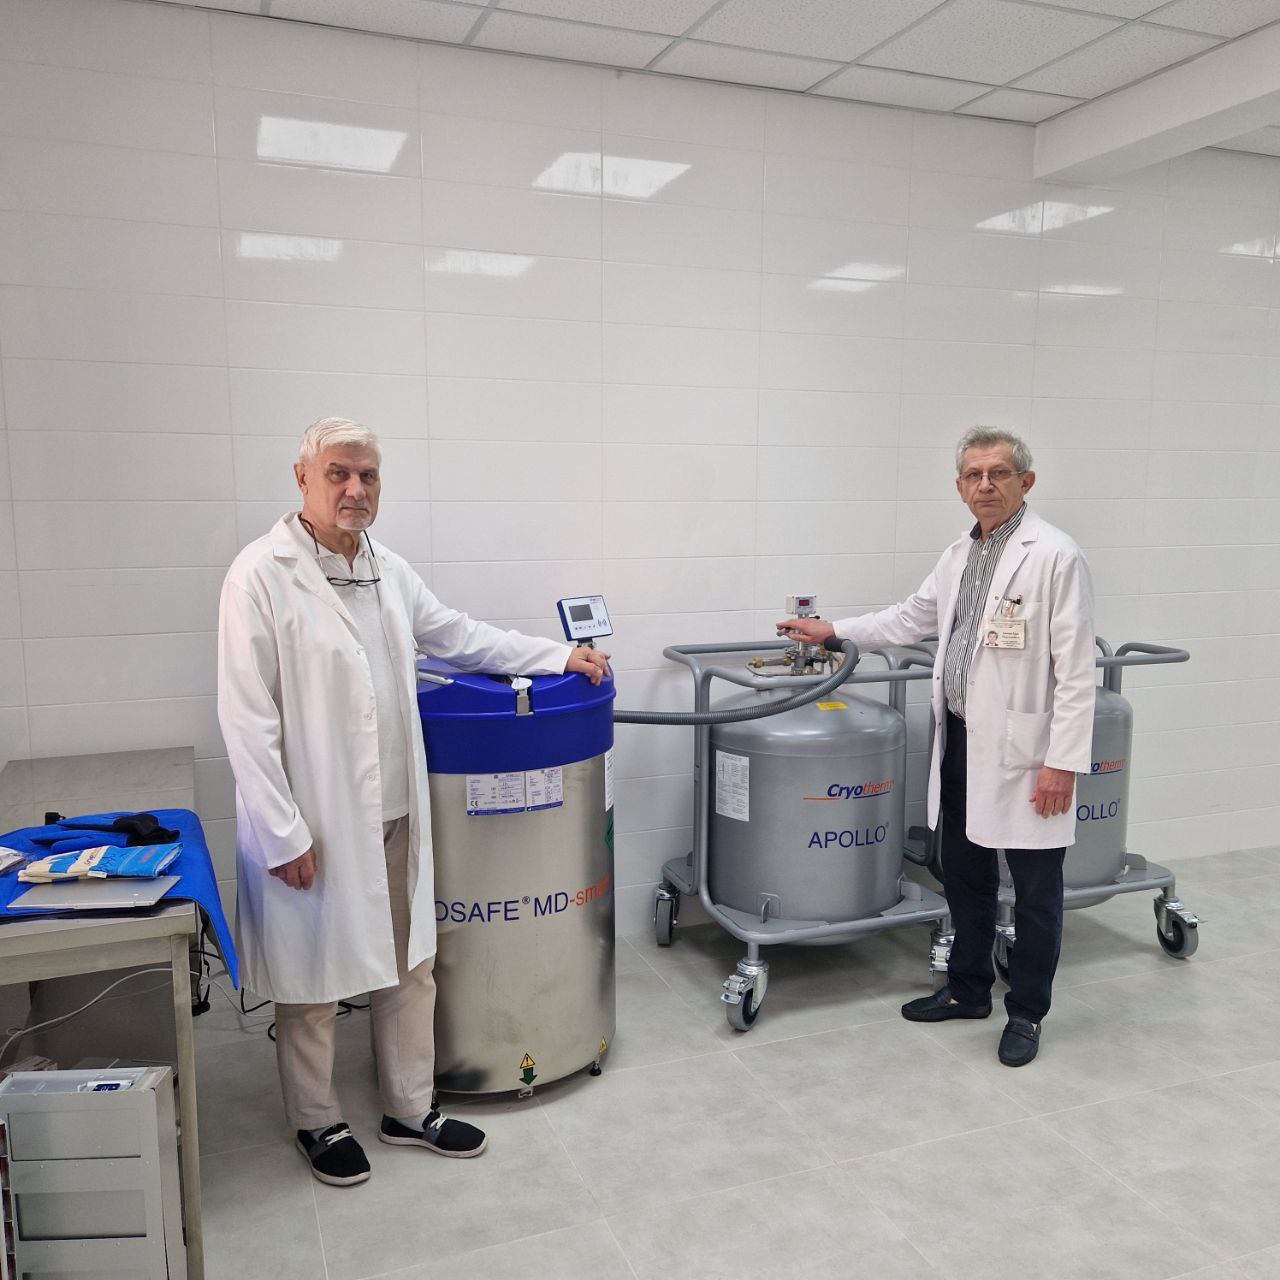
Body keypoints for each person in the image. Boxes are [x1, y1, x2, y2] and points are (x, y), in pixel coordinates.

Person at [217, 417, 610, 1186]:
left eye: (367, 475)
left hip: (399, 813)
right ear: (303, 478)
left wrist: (558, 654)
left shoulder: (387, 570)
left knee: (411, 966)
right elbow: (245, 717)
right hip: (317, 821)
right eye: (338, 473)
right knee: (315, 984)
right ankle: (317, 1122)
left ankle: (408, 1107)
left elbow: (460, 636)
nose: (355, 489)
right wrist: (282, 833)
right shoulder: (260, 575)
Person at [778, 427, 1094, 1067]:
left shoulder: (1056, 556)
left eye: (999, 473)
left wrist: (1062, 763)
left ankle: (1027, 1012)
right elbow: (909, 618)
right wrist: (832, 629)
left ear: (1026, 482)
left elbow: (1077, 671)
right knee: (965, 873)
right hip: (961, 741)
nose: (986, 485)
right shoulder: (958, 555)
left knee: (1036, 890)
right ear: (959, 486)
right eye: (974, 475)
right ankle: (969, 990)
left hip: (1028, 753)